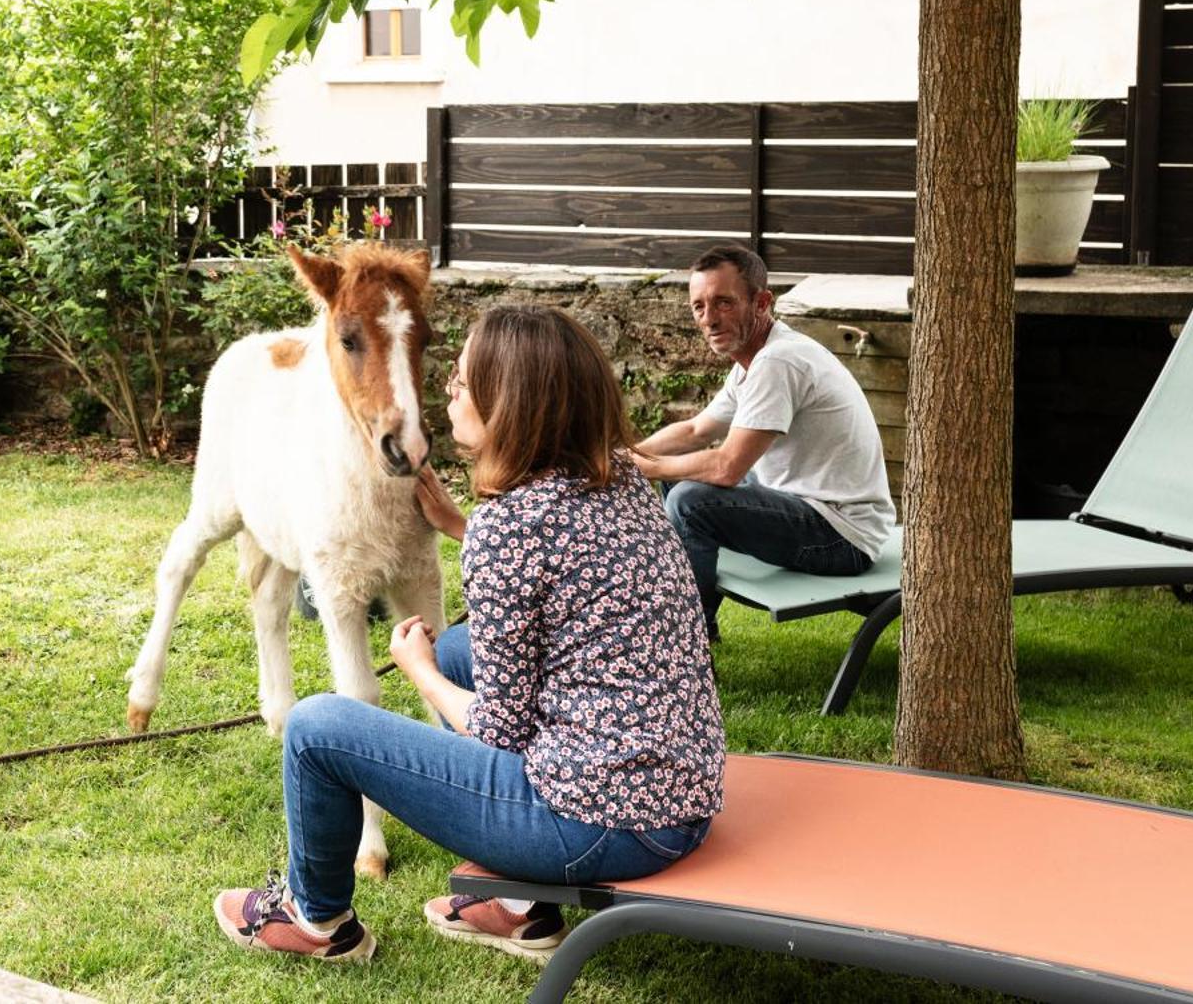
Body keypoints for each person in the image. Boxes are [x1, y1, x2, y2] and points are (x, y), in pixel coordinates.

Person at [214, 305, 724, 964]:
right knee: (461, 648)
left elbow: (499, 735)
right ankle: (518, 904)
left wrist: (417, 668)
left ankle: (315, 918)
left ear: (510, 402)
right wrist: (447, 624)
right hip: (683, 802)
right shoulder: (621, 478)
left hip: (595, 828)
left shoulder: (507, 528)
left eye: (463, 377)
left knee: (317, 727)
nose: (447, 387)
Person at [634, 244, 895, 642]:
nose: (709, 319)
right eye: (699, 307)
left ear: (761, 302)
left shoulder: (778, 362)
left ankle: (686, 641)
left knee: (690, 500)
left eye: (723, 303)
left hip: (842, 535)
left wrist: (645, 467)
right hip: (803, 505)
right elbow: (695, 431)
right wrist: (625, 456)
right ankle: (696, 625)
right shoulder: (756, 359)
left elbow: (727, 467)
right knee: (680, 477)